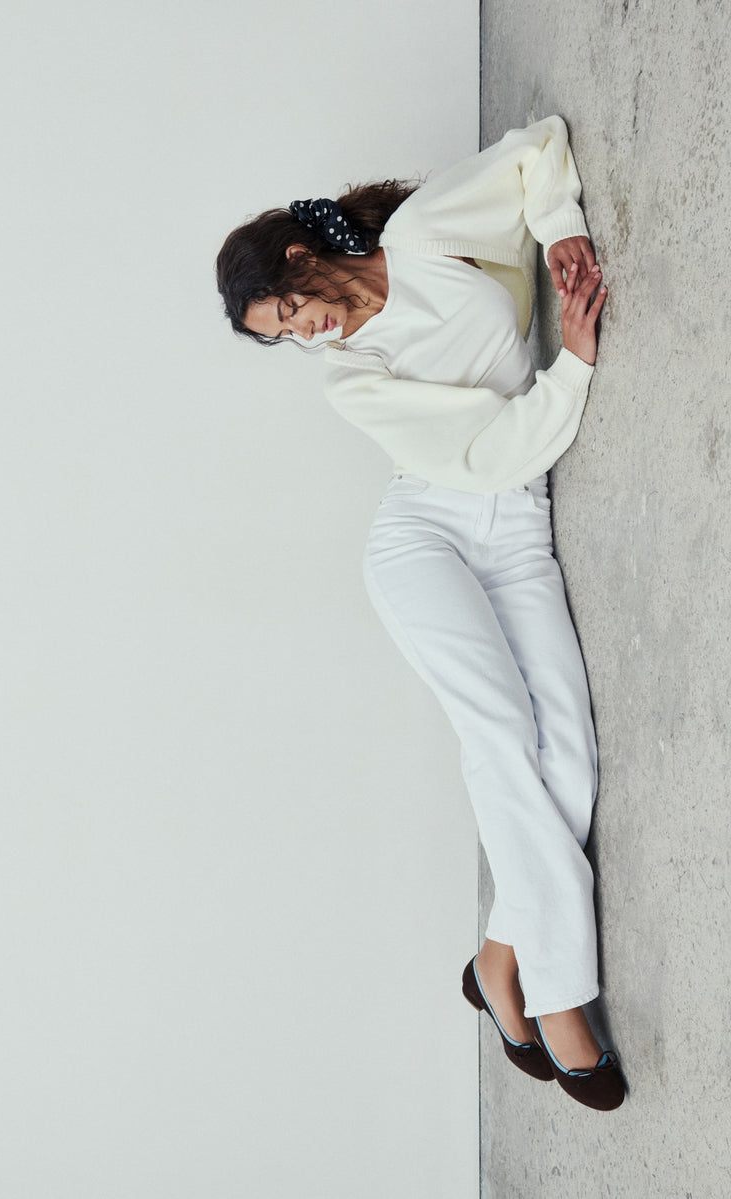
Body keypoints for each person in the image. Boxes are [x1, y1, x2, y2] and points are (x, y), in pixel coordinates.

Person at [215, 115, 623, 1111]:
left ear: (302, 257)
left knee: (565, 752)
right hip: (426, 532)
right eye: (283, 338)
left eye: (290, 309)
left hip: (514, 527)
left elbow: (535, 151)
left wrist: (558, 225)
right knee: (497, 732)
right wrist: (570, 366)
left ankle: (496, 961)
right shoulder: (350, 378)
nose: (304, 335)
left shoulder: (426, 229)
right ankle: (562, 993)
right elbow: (481, 450)